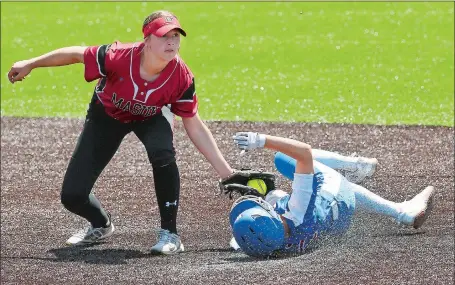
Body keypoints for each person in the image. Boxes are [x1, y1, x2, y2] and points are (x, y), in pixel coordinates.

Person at [7, 10, 234, 255]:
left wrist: (227, 173)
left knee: (163, 154)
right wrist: (31, 63)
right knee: (72, 196)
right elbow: (75, 54)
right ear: (146, 40)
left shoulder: (182, 77)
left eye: (176, 35)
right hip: (106, 116)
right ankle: (100, 224)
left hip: (151, 117)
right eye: (164, 36)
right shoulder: (117, 56)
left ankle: (170, 234)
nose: (172, 42)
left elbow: (194, 124)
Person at [226, 132, 435, 258]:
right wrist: (261, 140)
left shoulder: (267, 246)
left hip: (334, 229)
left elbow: (244, 239)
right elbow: (304, 153)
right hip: (341, 199)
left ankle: (361, 178)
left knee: (280, 196)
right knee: (283, 158)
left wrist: (269, 194)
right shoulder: (298, 209)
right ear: (274, 217)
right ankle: (399, 209)